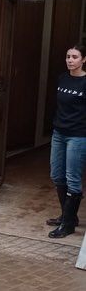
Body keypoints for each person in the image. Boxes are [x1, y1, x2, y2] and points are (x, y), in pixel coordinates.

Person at [47, 45, 86, 238]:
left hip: (77, 136)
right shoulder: (62, 78)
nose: (70, 60)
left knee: (73, 178)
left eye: (75, 57)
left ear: (83, 60)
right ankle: (68, 215)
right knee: (56, 175)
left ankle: (68, 224)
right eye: (68, 56)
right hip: (59, 133)